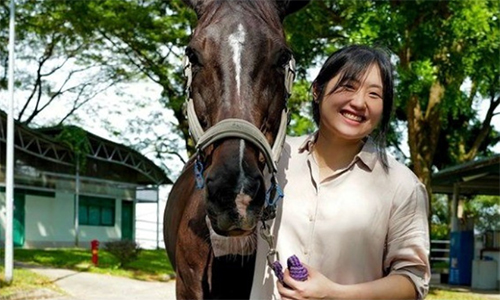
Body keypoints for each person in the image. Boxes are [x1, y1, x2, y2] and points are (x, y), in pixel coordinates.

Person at [250, 45, 430, 299]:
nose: (359, 102)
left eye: (374, 94)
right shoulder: (271, 157)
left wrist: (334, 293)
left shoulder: (403, 185)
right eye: (348, 86)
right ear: (317, 90)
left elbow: (413, 282)